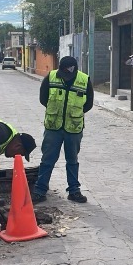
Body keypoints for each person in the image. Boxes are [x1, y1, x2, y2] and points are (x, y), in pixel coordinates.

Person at [33, 56, 94, 204]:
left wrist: (74, 114)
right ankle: (40, 191)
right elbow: (43, 99)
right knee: (47, 160)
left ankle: (74, 191)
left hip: (73, 128)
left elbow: (88, 104)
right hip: (53, 127)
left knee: (72, 160)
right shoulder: (51, 77)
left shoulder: (84, 80)